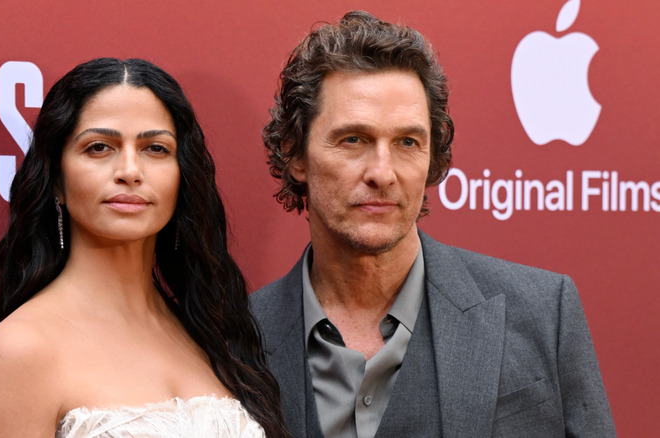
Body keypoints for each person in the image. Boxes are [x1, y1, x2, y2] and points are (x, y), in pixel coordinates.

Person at [251, 11, 615, 438]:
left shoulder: (542, 313)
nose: (383, 173)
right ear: (296, 155)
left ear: (432, 157)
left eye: (407, 142)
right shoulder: (235, 337)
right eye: (354, 140)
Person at [0, 58, 291, 438]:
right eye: (99, 147)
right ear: (56, 181)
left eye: (155, 149)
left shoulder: (212, 333)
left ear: (183, 176)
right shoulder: (21, 349)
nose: (130, 170)